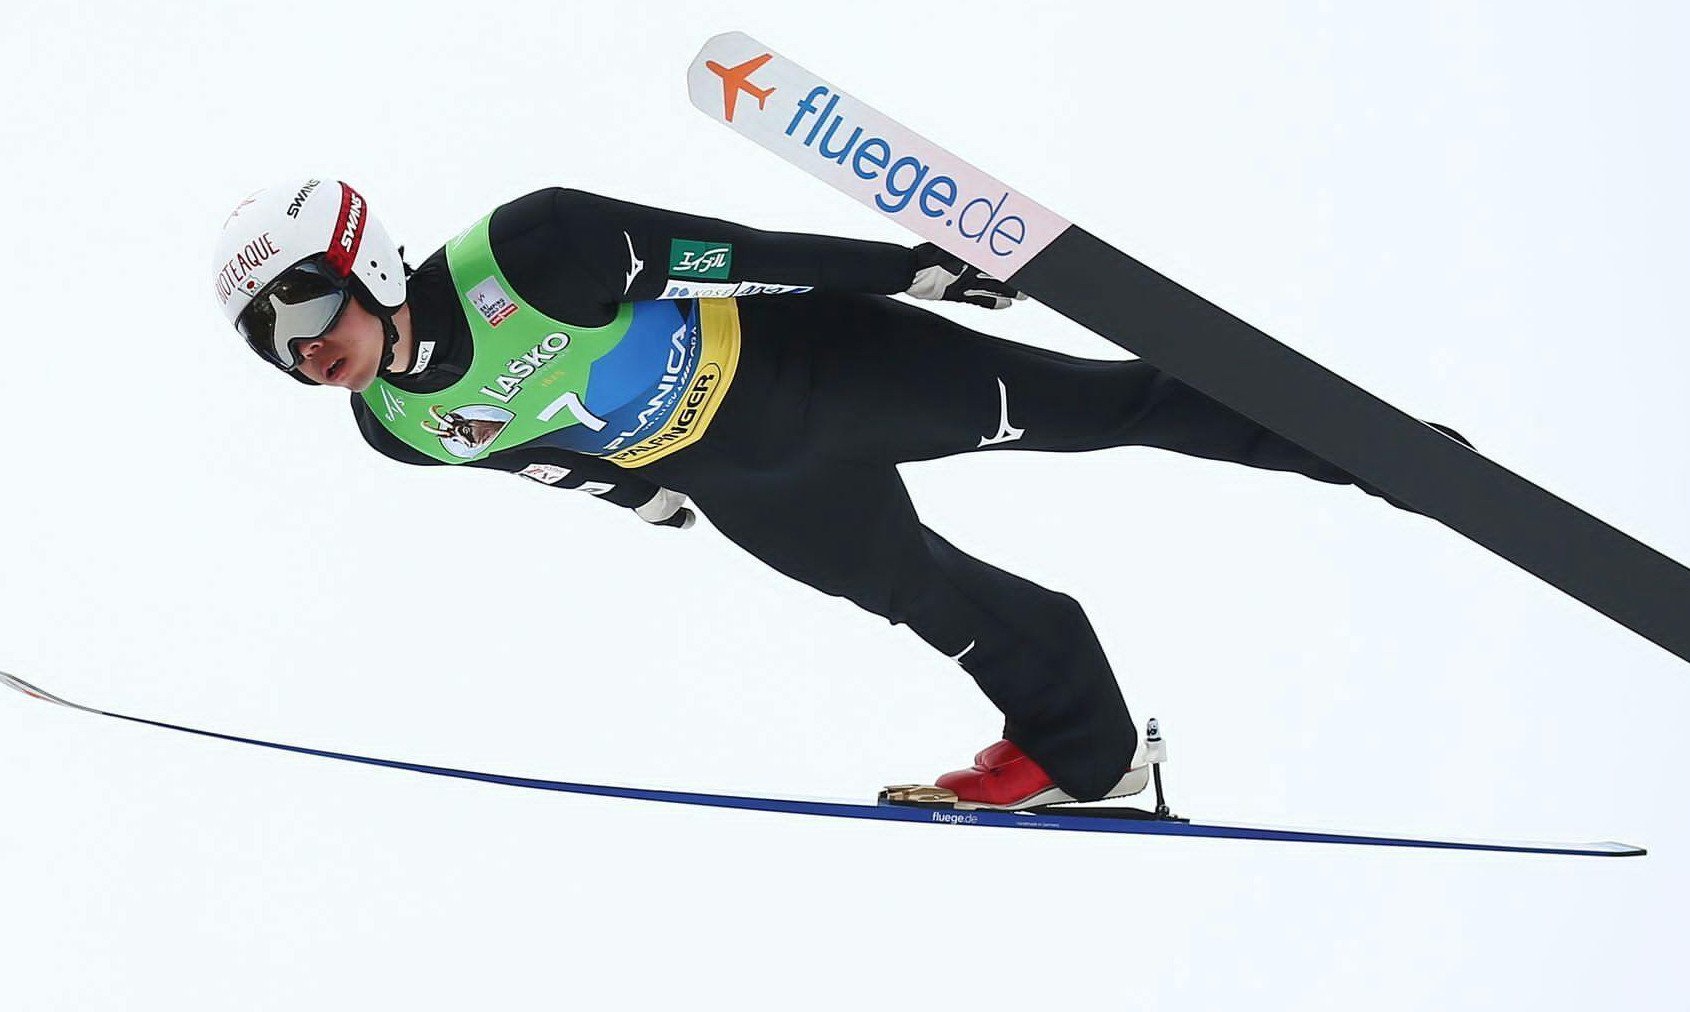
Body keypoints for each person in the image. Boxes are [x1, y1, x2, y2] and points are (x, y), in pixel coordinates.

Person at [214, 178, 1457, 809]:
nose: (304, 350)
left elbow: (730, 252)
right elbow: (533, 452)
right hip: (745, 478)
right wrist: (631, 499)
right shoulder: (396, 429)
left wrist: (905, 270)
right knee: (930, 598)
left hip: (825, 370)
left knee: (1099, 409)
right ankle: (1086, 751)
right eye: (273, 345)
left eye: (306, 307)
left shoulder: (533, 249)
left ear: (364, 257)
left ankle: (1372, 449)